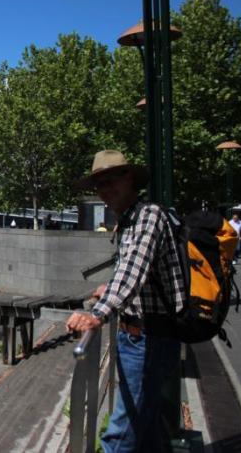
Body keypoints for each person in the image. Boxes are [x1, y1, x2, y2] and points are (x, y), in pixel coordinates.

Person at [66, 150, 185, 452]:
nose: (105, 190)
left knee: (119, 436)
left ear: (129, 178)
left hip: (150, 338)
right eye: (99, 185)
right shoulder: (129, 220)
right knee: (145, 429)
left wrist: (98, 315)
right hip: (139, 336)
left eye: (111, 181)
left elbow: (133, 270)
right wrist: (108, 288)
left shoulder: (149, 215)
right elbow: (134, 272)